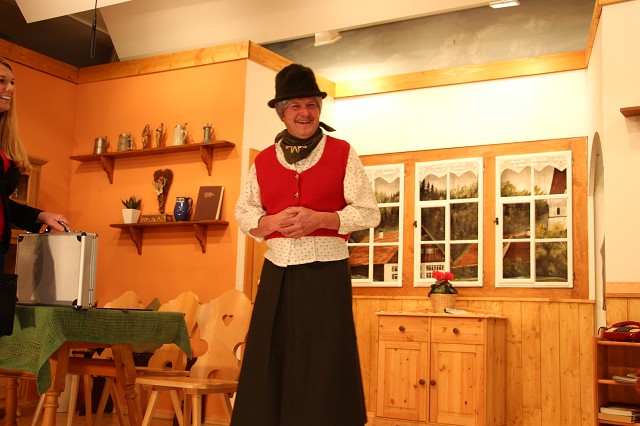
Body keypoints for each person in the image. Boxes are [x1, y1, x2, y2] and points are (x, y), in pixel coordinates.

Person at [233, 64, 381, 426]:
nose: (305, 113)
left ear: (319, 109)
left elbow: (369, 213)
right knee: (271, 352)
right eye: (296, 106)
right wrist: (268, 223)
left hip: (325, 273)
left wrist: (322, 219)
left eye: (312, 105)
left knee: (323, 357)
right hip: (276, 272)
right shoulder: (263, 160)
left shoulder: (343, 153)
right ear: (282, 112)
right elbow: (244, 211)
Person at [0, 57, 69, 271]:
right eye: (2, 81)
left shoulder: (6, 142)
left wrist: (42, 216)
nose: (10, 88)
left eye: (12, 82)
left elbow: (3, 204)